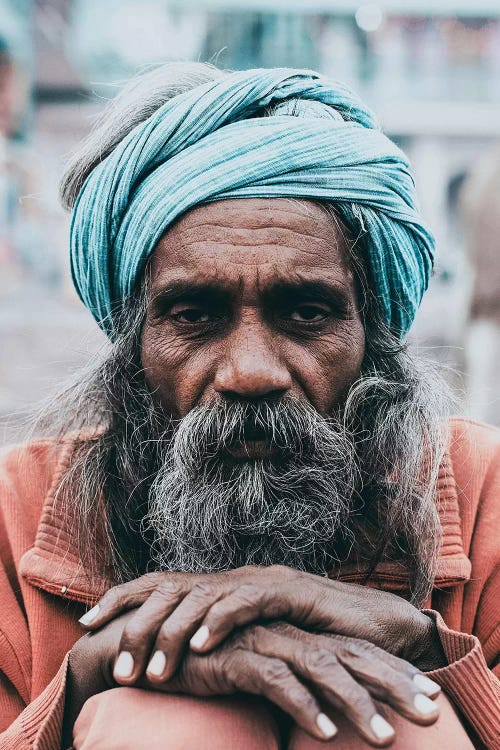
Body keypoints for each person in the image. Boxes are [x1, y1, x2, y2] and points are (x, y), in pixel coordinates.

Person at [0, 63, 498, 750]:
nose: (252, 373)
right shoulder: (14, 513)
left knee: (404, 723)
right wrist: (84, 679)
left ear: (372, 337)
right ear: (131, 341)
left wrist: (428, 651)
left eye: (306, 313)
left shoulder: (484, 493)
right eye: (195, 315)